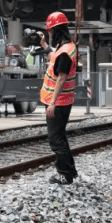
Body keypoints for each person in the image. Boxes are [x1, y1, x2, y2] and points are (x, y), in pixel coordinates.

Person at [39, 11, 79, 184]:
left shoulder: (64, 52)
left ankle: (65, 175)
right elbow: (55, 61)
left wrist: (52, 104)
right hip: (63, 101)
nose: (50, 34)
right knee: (60, 136)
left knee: (56, 139)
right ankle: (70, 172)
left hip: (59, 102)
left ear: (55, 31)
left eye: (50, 32)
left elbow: (61, 77)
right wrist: (45, 46)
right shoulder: (66, 48)